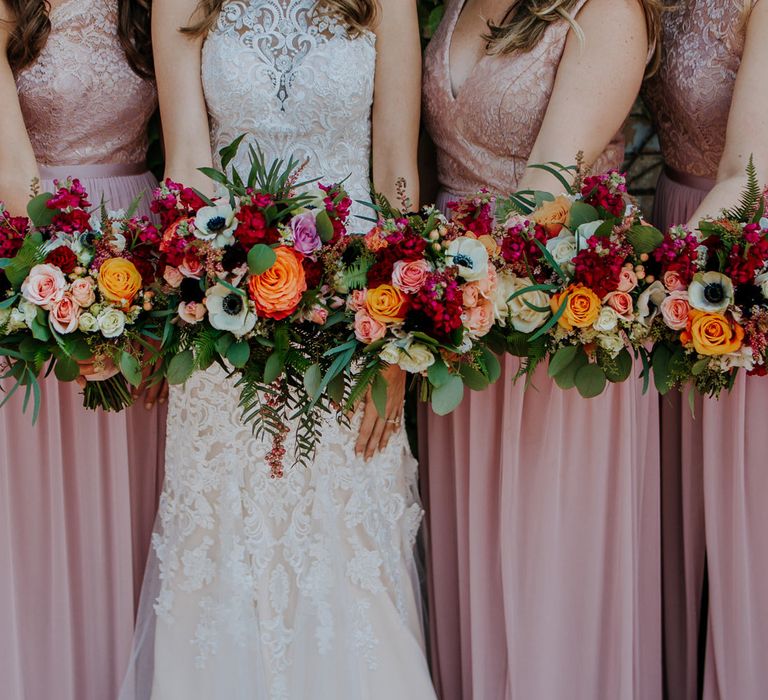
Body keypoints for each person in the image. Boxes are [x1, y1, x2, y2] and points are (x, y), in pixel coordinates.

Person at [120, 0, 436, 697]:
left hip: (353, 323)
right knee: (224, 560)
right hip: (226, 323)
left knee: (351, 564)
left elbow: (395, 171)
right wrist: (222, 292)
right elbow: (188, 168)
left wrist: (394, 345)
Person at [421, 1, 662, 697]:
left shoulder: (607, 13)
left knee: (547, 572)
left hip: (555, 326)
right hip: (455, 331)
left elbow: (545, 195)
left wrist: (443, 283)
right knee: (476, 571)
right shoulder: (460, 4)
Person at [0, 2, 166, 699]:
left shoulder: (146, 4)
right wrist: (72, 298)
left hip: (145, 266)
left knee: (138, 510)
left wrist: (150, 308)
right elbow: (12, 178)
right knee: (46, 516)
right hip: (37, 254)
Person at [643, 1, 768, 697]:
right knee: (682, 512)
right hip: (672, 217)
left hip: (730, 248)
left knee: (740, 509)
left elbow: (749, 170)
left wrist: (665, 277)